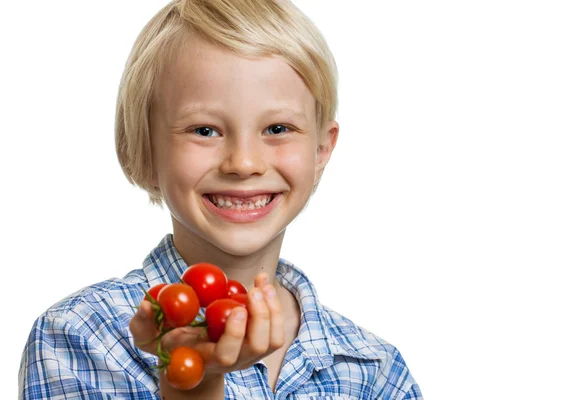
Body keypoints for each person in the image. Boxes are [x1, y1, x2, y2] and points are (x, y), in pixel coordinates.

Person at [19, 0, 423, 398]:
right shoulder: (78, 337)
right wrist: (194, 383)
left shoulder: (374, 371)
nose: (244, 163)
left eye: (278, 128)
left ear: (321, 151)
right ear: (141, 149)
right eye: (205, 131)